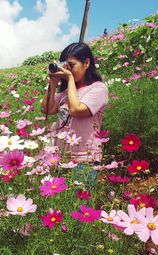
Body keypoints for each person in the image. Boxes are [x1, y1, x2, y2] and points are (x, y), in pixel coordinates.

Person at [40, 42, 109, 185]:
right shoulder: (66, 92)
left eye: (71, 65)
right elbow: (47, 109)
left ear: (87, 63)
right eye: (66, 66)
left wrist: (70, 78)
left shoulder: (98, 88)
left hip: (84, 158)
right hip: (61, 156)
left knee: (80, 204)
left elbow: (77, 110)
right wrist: (53, 83)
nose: (67, 70)